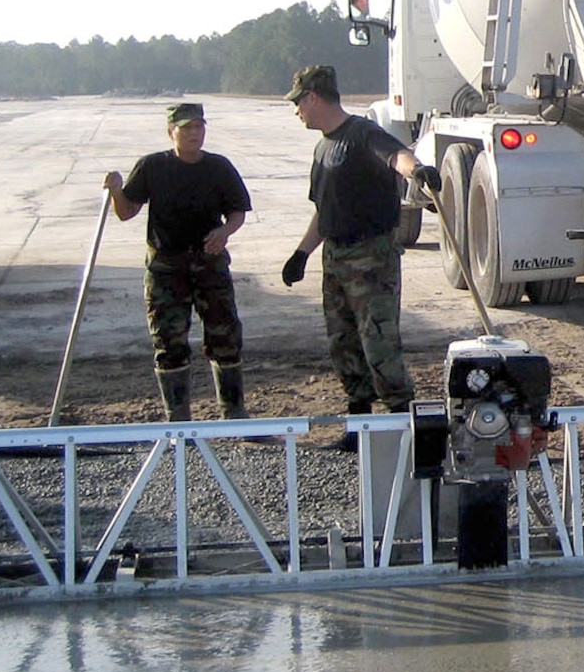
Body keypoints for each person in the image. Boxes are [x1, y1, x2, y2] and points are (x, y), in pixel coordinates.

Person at [281, 66, 442, 435]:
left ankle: (406, 424)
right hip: (335, 258)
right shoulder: (323, 147)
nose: (296, 112)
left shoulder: (361, 132)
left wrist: (417, 171)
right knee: (343, 343)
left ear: (313, 98)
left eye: (298, 103)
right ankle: (358, 426)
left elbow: (395, 154)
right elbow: (325, 211)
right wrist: (302, 254)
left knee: (379, 344)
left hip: (371, 258)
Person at [104, 103, 253, 421]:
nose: (194, 134)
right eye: (186, 128)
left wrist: (225, 232)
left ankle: (234, 415)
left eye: (199, 127)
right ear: (170, 130)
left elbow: (238, 211)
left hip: (210, 266)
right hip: (166, 270)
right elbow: (126, 211)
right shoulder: (152, 166)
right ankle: (178, 419)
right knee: (169, 342)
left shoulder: (219, 167)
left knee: (225, 336)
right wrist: (117, 190)